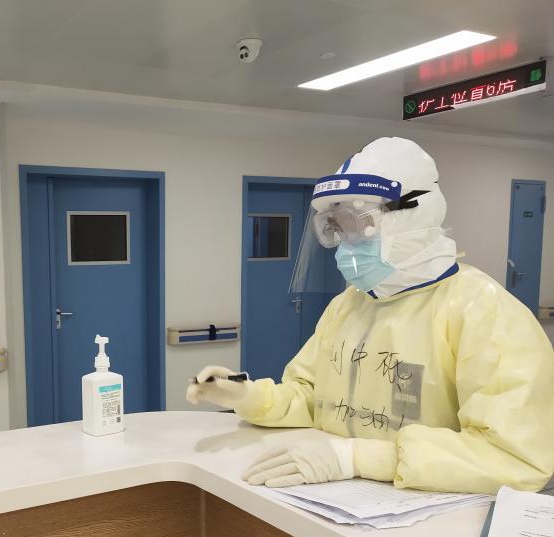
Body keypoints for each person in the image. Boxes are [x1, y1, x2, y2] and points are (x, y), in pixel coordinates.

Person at [187, 137, 554, 494]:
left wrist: (361, 458)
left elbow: (515, 456)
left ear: (412, 215)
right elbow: (313, 397)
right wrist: (248, 396)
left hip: (431, 518)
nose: (345, 246)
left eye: (357, 227)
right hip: (338, 504)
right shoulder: (350, 304)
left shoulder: (484, 311)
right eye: (336, 229)